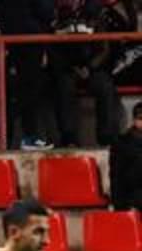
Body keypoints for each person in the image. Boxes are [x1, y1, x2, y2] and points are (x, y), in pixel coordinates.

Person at [49, 0, 126, 147]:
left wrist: (90, 67)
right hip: (68, 69)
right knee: (63, 87)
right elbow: (53, 49)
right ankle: (69, 138)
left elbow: (104, 48)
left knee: (105, 86)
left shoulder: (95, 14)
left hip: (92, 67)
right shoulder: (56, 17)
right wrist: (68, 66)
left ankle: (107, 138)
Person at [0, 1, 56, 150]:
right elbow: (45, 10)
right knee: (31, 86)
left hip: (12, 35)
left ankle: (30, 136)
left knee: (27, 85)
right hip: (28, 37)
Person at [109, 101, 142, 211]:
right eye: (140, 118)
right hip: (131, 197)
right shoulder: (121, 143)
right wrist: (118, 205)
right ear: (134, 120)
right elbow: (116, 176)